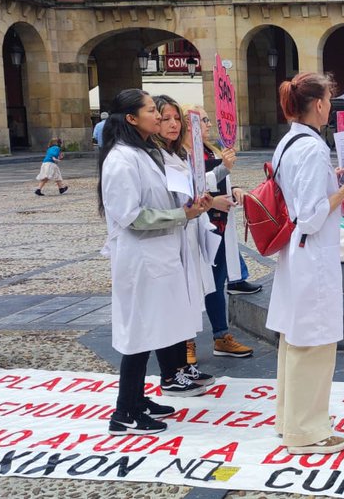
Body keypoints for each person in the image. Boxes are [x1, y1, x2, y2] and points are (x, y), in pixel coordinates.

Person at [267, 72, 344, 455]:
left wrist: (334, 181)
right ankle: (307, 431)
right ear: (318, 104)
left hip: (296, 253)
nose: (331, 105)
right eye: (329, 98)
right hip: (311, 253)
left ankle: (288, 420)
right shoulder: (312, 147)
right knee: (313, 343)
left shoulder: (289, 141)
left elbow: (299, 195)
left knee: (295, 342)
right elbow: (311, 215)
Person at [98, 89, 214, 435]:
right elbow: (131, 215)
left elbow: (165, 193)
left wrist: (192, 204)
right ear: (131, 119)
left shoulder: (146, 152)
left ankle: (138, 399)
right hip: (140, 257)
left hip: (157, 254)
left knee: (151, 330)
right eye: (151, 111)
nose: (159, 117)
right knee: (138, 333)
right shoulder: (120, 160)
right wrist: (180, 214)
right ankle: (124, 412)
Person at [147, 95, 219, 389]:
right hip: (166, 238)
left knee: (184, 305)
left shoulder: (179, 154)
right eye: (166, 118)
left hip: (186, 234)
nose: (174, 124)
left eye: (177, 118)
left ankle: (183, 366)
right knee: (168, 309)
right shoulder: (153, 157)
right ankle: (170, 372)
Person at [181, 104, 257, 365]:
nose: (209, 125)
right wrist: (213, 202)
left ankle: (221, 335)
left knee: (216, 282)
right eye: (203, 120)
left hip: (218, 227)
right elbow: (188, 188)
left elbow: (214, 181)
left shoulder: (208, 150)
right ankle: (186, 340)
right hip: (193, 226)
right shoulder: (179, 154)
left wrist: (233, 189)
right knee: (191, 285)